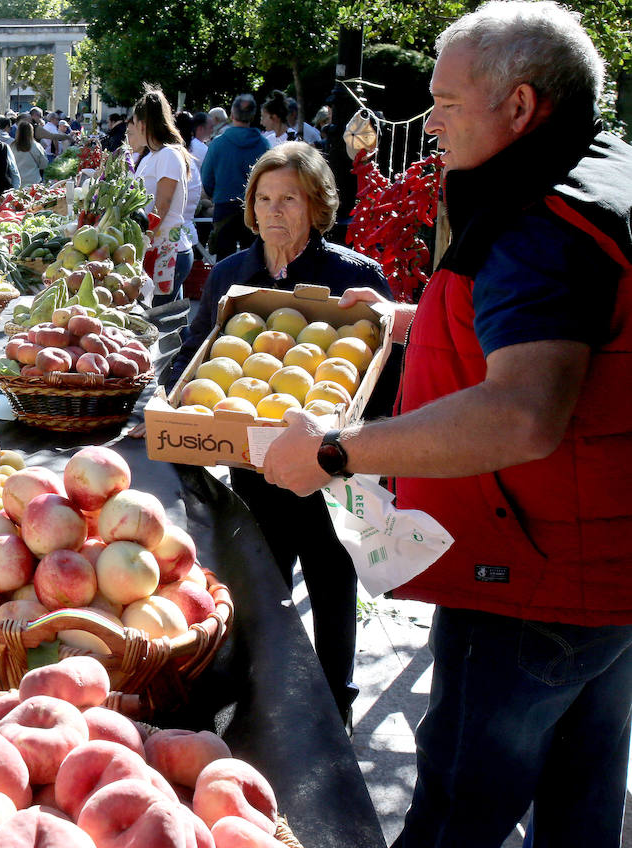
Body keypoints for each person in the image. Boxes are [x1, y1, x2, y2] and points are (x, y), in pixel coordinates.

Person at [261, 4, 632, 845]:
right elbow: (551, 332)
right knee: (581, 808)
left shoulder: (537, 221)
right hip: (600, 575)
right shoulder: (597, 173)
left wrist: (332, 449)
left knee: (456, 813)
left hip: (529, 584)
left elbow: (522, 412)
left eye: (447, 102)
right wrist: (410, 319)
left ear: (521, 106)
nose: (429, 123)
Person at [153, 142, 387, 725]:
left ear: (316, 206)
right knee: (260, 580)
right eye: (264, 198)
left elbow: (381, 380)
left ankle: (336, 703)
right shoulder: (233, 277)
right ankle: (264, 698)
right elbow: (193, 352)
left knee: (333, 582)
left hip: (330, 466)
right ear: (250, 207)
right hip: (252, 463)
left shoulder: (354, 278)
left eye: (290, 199)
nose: (275, 210)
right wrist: (168, 395)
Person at [128, 86, 196, 302]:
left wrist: (144, 240)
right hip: (161, 249)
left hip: (167, 249)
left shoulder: (168, 155)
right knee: (171, 320)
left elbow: (162, 205)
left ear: (142, 124)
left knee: (160, 320)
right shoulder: (152, 155)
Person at [201, 93, 270, 258]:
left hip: (225, 209)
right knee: (253, 261)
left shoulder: (218, 144)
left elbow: (207, 180)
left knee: (225, 263)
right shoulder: (264, 144)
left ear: (231, 115)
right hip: (254, 209)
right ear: (253, 116)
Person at [10, 120, 49, 187]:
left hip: (17, 182)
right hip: (33, 181)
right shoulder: (36, 146)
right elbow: (44, 164)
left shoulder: (12, 146)